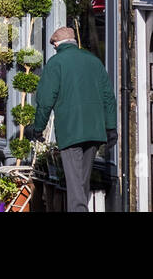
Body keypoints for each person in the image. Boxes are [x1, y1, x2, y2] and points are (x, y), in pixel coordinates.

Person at [32, 26, 118, 212]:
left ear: (56, 44)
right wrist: (111, 127)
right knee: (81, 183)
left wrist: (38, 128)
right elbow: (108, 97)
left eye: (54, 45)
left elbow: (45, 100)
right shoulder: (94, 61)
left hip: (71, 132)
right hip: (95, 131)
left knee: (74, 185)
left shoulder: (56, 63)